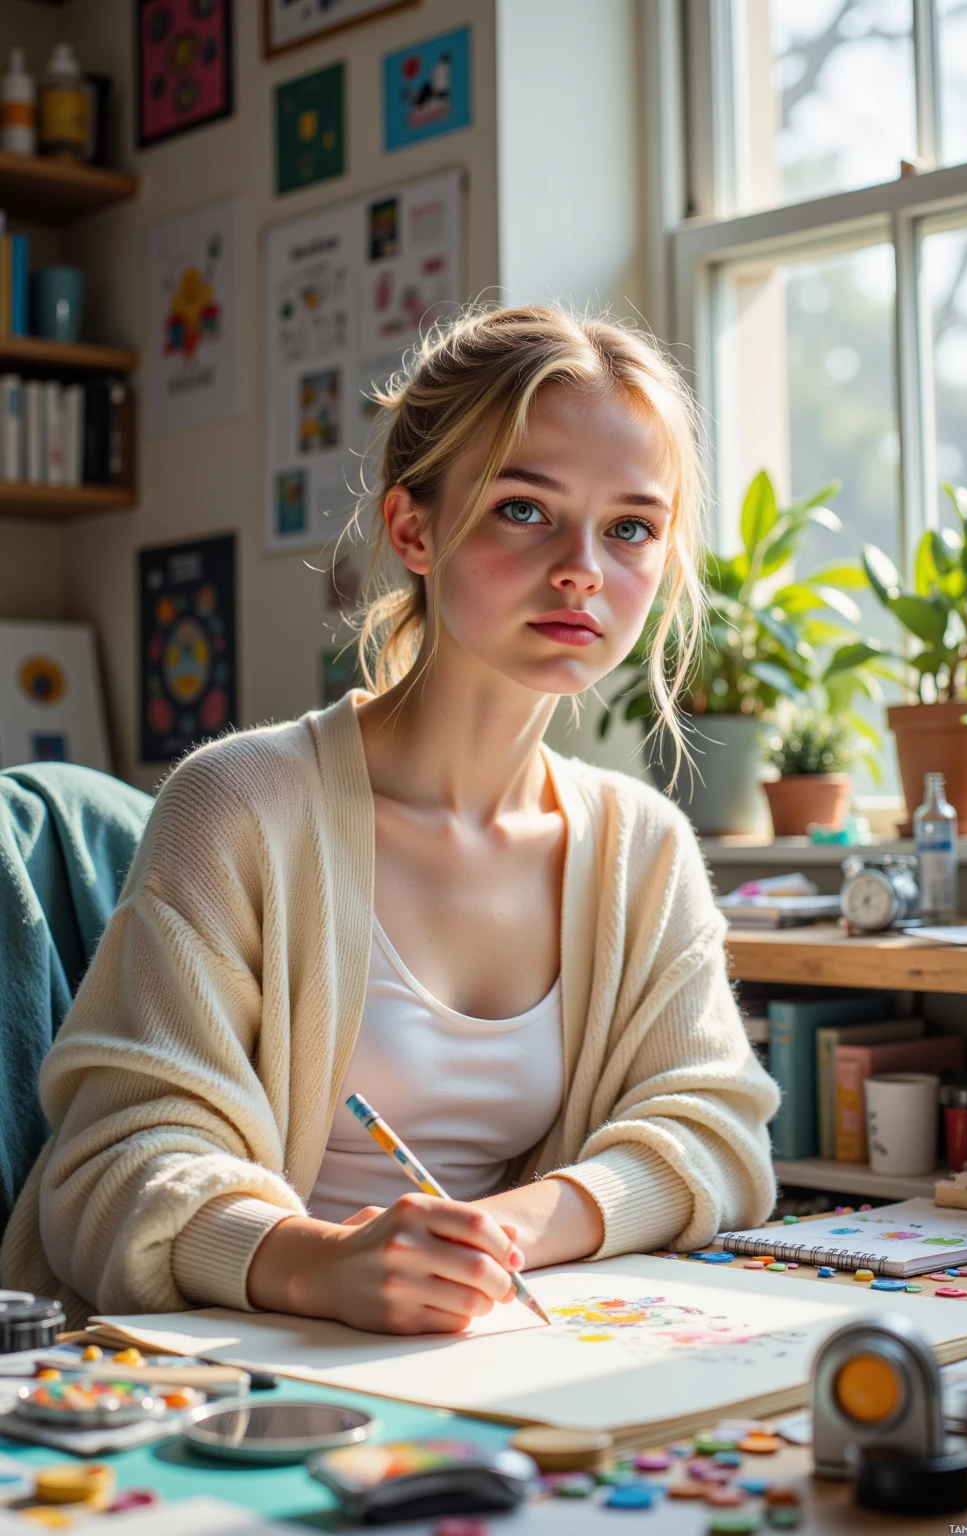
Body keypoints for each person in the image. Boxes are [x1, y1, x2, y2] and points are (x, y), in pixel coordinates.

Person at [1, 305, 780, 1334]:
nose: (584, 567)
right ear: (414, 528)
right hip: (223, 1368)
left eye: (630, 526)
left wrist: (491, 1238)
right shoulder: (240, 804)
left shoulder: (642, 847)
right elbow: (117, 1167)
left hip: (477, 1358)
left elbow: (716, 1131)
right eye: (522, 508)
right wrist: (321, 1266)